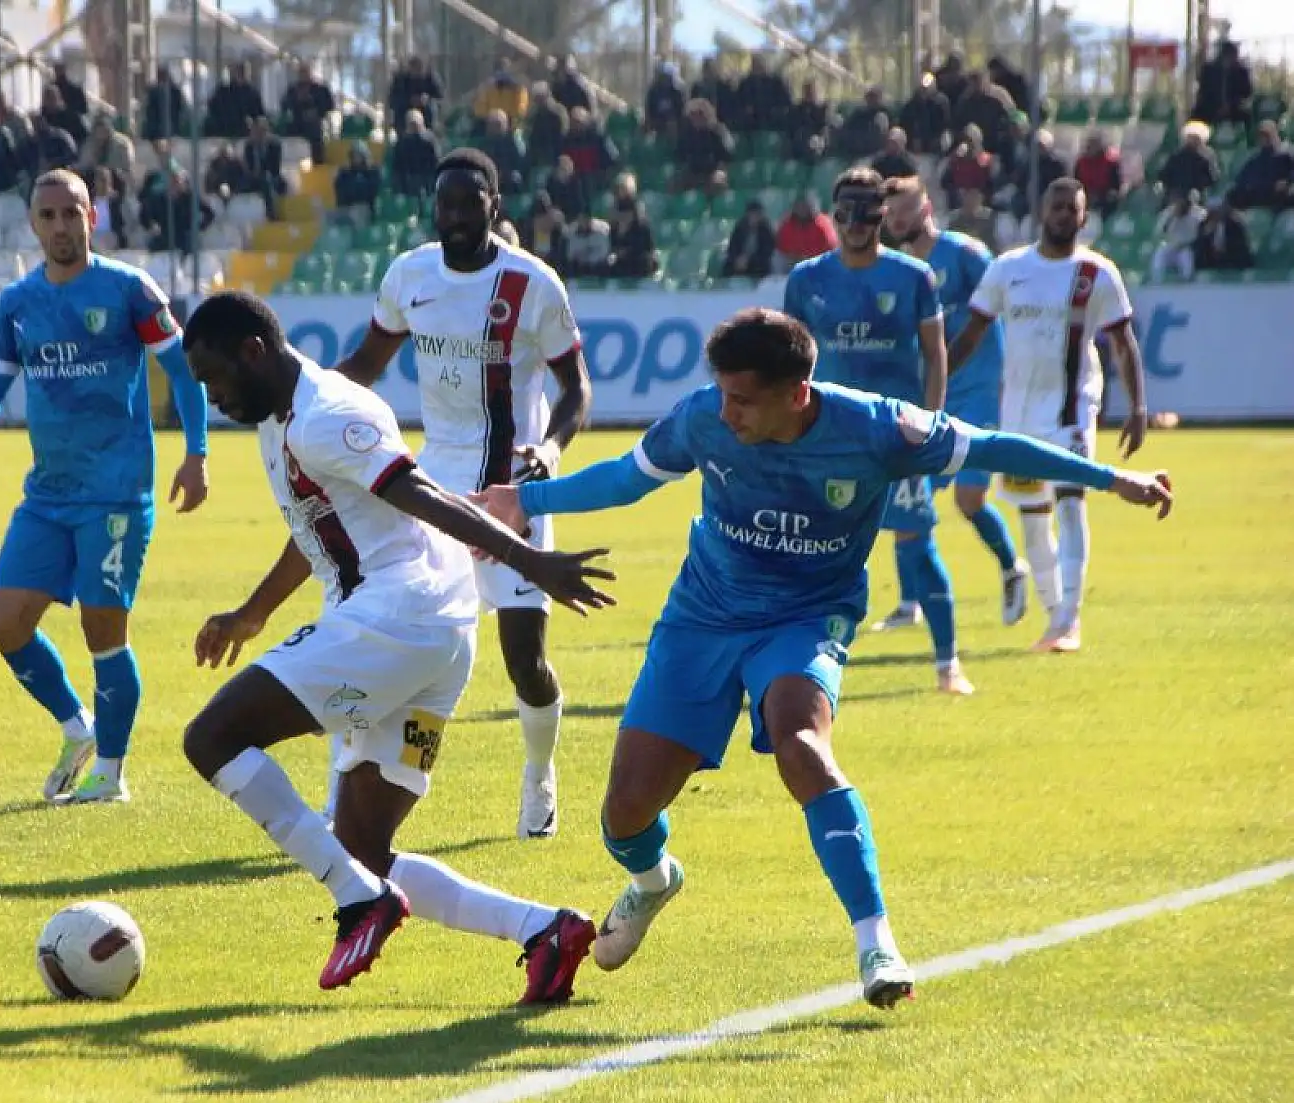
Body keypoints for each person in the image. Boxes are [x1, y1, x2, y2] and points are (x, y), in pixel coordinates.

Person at [472, 308, 1175, 1008]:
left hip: (806, 617)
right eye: (722, 393)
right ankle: (655, 883)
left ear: (796, 392)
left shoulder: (878, 428)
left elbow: (991, 446)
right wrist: (523, 500)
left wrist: (1110, 478)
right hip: (703, 615)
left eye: (743, 399)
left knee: (801, 743)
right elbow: (629, 476)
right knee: (624, 812)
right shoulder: (702, 419)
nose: (728, 411)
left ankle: (877, 942)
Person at [179, 291, 613, 999]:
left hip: (395, 619)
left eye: (212, 379)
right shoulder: (282, 419)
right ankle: (545, 929)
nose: (212, 395)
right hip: (433, 635)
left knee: (212, 737)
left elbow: (415, 491)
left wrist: (527, 560)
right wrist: (253, 612)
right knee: (360, 847)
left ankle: (360, 901)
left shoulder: (328, 414)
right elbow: (319, 520)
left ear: (252, 353)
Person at [336, 149, 593, 839]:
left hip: (513, 491)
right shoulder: (409, 275)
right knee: (406, 646)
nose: (453, 216)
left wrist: (550, 448)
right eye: (443, 204)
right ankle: (376, 778)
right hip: (432, 489)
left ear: (494, 204)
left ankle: (539, 770)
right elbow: (365, 365)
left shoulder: (533, 284)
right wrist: (303, 397)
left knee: (524, 664)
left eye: (467, 202)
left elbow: (577, 388)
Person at [0, 169, 211, 804]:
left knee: (103, 632)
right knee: (5, 624)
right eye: (49, 215)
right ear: (34, 223)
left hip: (115, 493)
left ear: (93, 217)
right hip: (49, 494)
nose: (61, 225)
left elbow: (185, 372)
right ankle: (76, 727)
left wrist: (196, 455)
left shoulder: (128, 290)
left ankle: (110, 774)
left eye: (72, 213)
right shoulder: (17, 304)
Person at [782, 168, 969, 695]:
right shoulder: (806, 280)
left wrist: (932, 425)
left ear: (883, 216)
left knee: (915, 544)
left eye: (868, 211)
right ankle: (794, 668)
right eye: (846, 211)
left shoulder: (913, 278)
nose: (856, 222)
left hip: (896, 435)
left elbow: (935, 355)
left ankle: (948, 663)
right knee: (807, 556)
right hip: (826, 438)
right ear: (833, 214)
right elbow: (788, 360)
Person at [948, 178, 1149, 653]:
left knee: (1071, 505)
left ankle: (1068, 620)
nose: (1063, 215)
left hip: (1072, 408)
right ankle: (1054, 610)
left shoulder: (1096, 274)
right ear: (1042, 211)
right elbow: (973, 333)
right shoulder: (1008, 269)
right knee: (1033, 519)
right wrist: (937, 384)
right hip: (1017, 413)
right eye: (1056, 206)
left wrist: (1138, 407)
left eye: (1071, 209)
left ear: (1084, 217)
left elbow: (1123, 342)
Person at [880, 177, 1029, 628]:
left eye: (902, 211)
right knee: (908, 496)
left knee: (968, 497)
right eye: (890, 215)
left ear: (925, 208)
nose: (895, 220)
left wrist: (1007, 381)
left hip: (978, 388)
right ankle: (911, 604)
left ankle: (1010, 566)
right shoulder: (901, 269)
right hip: (931, 393)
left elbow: (1000, 309)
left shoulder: (964, 254)